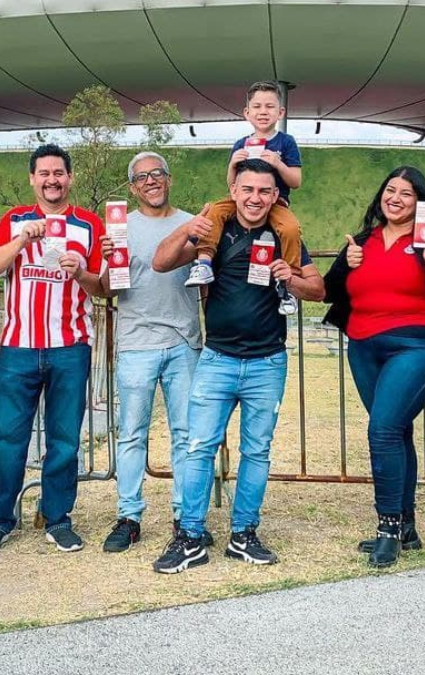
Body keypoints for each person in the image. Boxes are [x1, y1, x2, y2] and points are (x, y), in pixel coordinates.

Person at [149, 159, 325, 574]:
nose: (255, 199)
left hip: (267, 360)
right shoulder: (217, 227)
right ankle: (190, 535)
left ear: (275, 196)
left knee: (257, 451)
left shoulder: (285, 233)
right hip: (218, 359)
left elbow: (318, 289)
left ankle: (243, 533)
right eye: (247, 190)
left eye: (264, 191)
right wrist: (189, 227)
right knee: (198, 448)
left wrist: (292, 278)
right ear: (234, 190)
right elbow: (160, 261)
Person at [322, 166, 425, 569]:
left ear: (420, 202)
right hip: (364, 346)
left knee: (382, 429)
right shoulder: (364, 240)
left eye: (407, 193)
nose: (397, 198)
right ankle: (406, 525)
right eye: (391, 190)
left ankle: (387, 528)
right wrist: (344, 265)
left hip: (418, 346)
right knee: (395, 431)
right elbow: (329, 292)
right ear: (381, 196)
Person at [0, 144, 107, 553]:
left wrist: (81, 271)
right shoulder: (14, 218)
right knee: (8, 438)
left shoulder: (88, 224)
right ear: (32, 178)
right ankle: (0, 519)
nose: (52, 180)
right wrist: (18, 242)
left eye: (59, 173)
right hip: (19, 347)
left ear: (70, 178)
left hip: (70, 346)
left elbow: (104, 286)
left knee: (65, 439)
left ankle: (58, 517)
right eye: (44, 173)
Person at [95, 151, 204, 552]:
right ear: (132, 187)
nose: (151, 181)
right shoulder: (121, 228)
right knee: (131, 435)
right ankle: (129, 515)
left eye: (157, 174)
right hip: (136, 343)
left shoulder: (191, 223)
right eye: (142, 177)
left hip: (183, 342)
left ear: (169, 178)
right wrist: (107, 261)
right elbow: (108, 289)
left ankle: (185, 515)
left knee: (186, 435)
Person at [185, 82, 303, 315]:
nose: (263, 111)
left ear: (281, 113)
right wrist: (232, 164)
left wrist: (277, 163)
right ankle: (205, 262)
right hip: (242, 199)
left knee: (290, 228)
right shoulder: (241, 143)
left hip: (275, 202)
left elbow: (296, 180)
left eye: (270, 106)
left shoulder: (285, 142)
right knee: (214, 212)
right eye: (257, 106)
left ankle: (289, 283)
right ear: (246, 113)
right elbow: (231, 182)